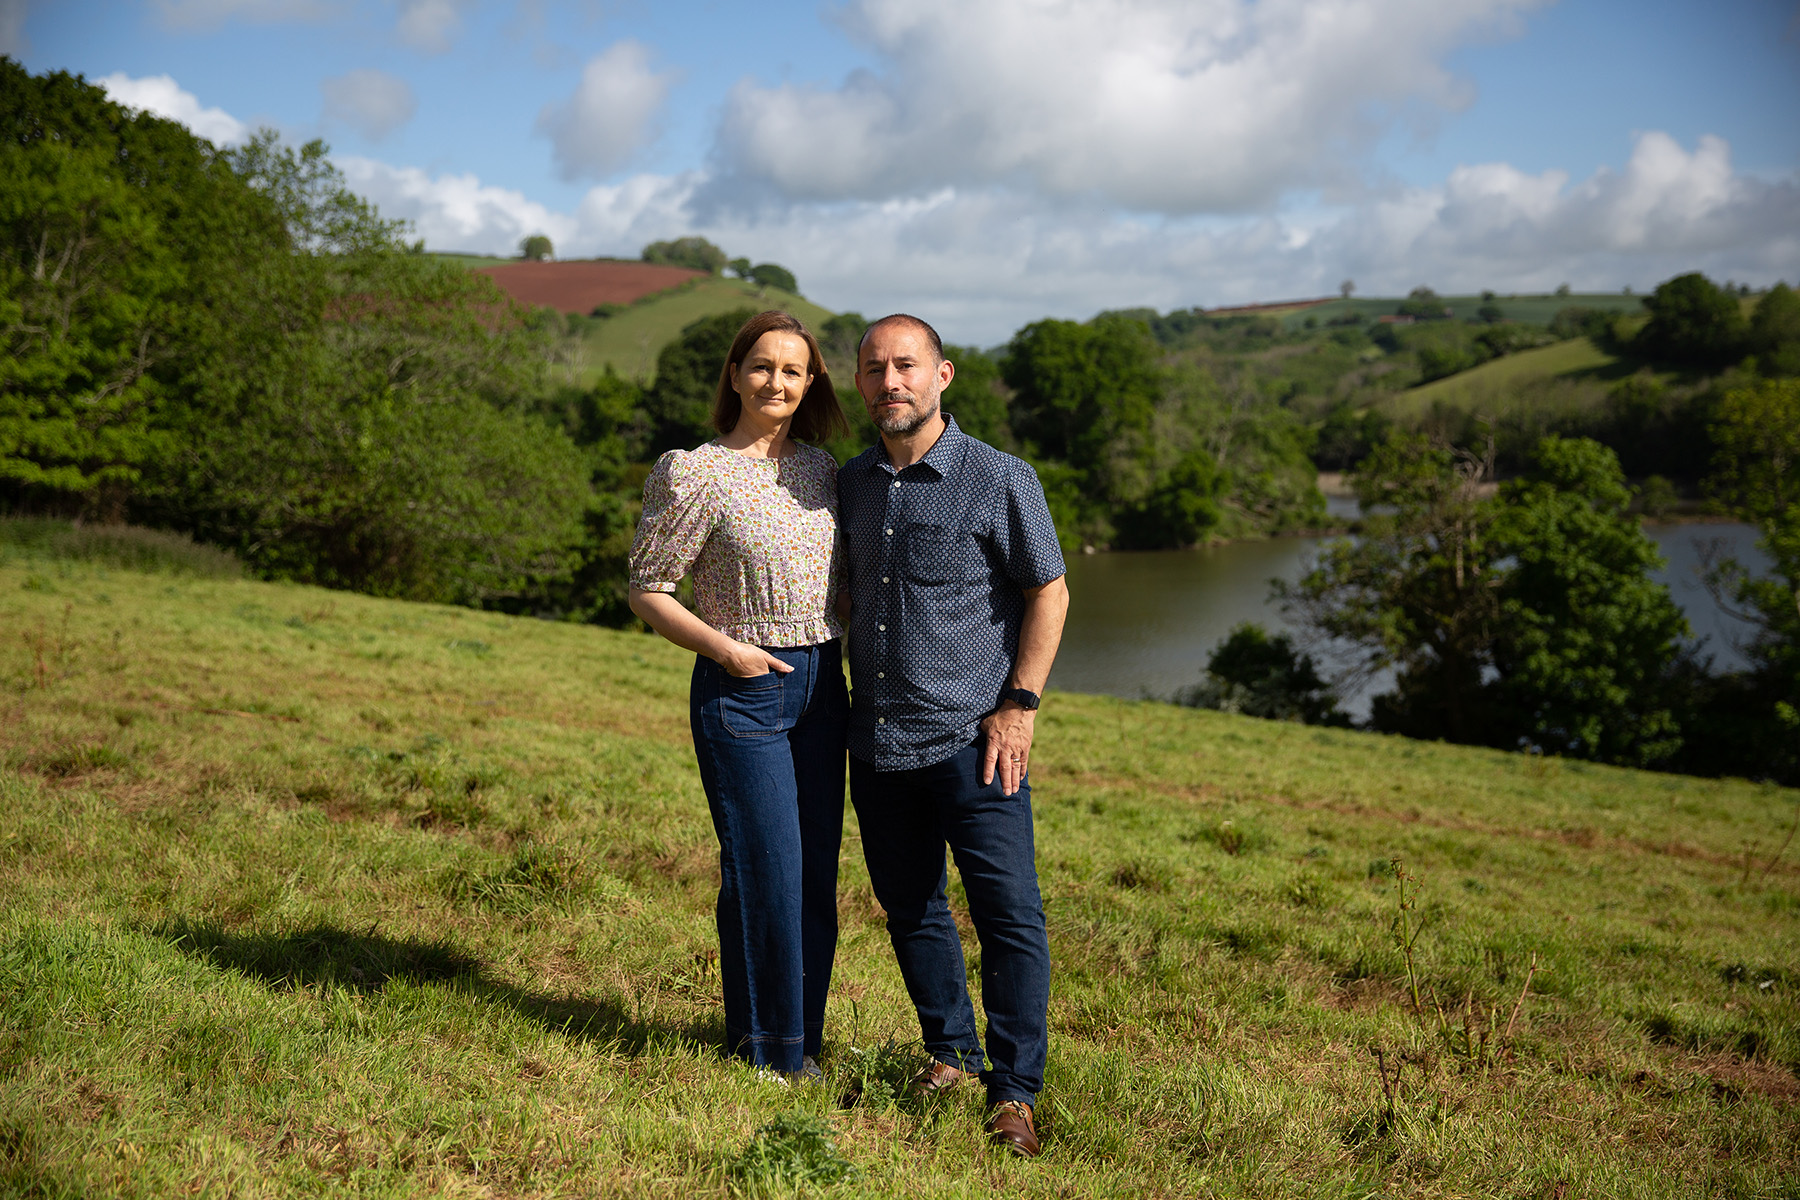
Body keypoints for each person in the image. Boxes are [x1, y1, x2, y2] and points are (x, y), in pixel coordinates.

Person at [837, 314, 1070, 1156]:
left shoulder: (999, 477)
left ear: (943, 375)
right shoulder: (854, 483)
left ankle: (1015, 1094)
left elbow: (1050, 590)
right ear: (859, 383)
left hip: (979, 743)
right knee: (911, 909)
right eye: (873, 369)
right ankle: (952, 1055)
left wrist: (1021, 705)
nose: (889, 381)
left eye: (906, 365)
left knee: (1009, 916)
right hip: (879, 743)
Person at [627, 310, 851, 1081]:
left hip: (826, 688)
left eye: (793, 370)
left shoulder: (824, 473)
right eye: (761, 366)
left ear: (811, 382)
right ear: (734, 375)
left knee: (814, 876)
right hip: (744, 689)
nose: (776, 382)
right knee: (766, 870)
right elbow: (648, 588)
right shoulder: (695, 471)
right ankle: (771, 1059)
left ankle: (796, 1043)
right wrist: (727, 650)